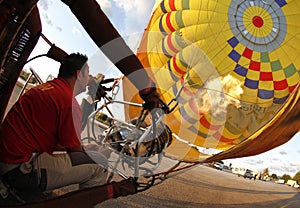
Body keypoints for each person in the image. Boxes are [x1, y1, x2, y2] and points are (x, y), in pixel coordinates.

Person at [0, 53, 110, 196]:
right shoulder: (69, 103)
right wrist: (96, 154)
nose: (90, 79)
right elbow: (75, 153)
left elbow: (49, 139)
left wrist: (84, 147)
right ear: (78, 75)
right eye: (88, 74)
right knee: (100, 164)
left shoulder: (47, 88)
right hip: (18, 170)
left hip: (6, 158)